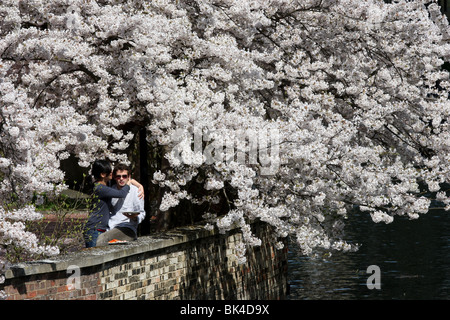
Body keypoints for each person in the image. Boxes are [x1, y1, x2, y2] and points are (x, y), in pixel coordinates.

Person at [84, 159, 144, 248]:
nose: (121, 179)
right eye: (118, 176)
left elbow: (142, 213)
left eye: (124, 176)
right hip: (97, 227)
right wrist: (129, 183)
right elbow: (121, 194)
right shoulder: (104, 188)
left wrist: (139, 185)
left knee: (100, 242)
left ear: (128, 177)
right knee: (94, 253)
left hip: (124, 227)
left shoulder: (135, 191)